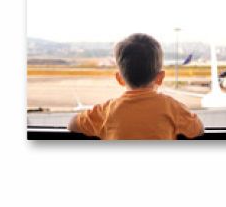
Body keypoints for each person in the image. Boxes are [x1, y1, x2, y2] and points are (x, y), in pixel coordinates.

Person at [68, 33, 204, 140]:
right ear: (160, 78)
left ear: (119, 79)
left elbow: (72, 125)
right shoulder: (172, 107)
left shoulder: (107, 111)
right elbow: (198, 129)